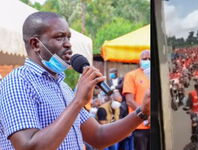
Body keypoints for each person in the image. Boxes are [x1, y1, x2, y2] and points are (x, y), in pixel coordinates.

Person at [0, 12, 150, 150]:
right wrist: (78, 101)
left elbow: (99, 136)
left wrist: (142, 111)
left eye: (68, 37)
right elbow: (29, 147)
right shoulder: (17, 83)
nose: (68, 44)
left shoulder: (62, 86)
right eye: (59, 37)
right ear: (35, 44)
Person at [123, 50, 150, 150]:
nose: (147, 61)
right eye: (144, 59)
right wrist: (146, 115)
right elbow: (129, 100)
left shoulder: (156, 75)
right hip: (139, 125)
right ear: (139, 61)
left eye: (150, 59)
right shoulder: (131, 75)